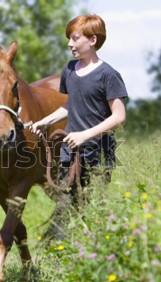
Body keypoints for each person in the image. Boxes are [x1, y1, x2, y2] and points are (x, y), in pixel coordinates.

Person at [30, 14, 128, 239]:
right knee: (65, 207)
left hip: (97, 154)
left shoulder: (108, 75)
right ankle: (63, 260)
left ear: (92, 40)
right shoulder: (70, 70)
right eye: (69, 39)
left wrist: (85, 135)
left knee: (93, 208)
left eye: (75, 38)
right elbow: (70, 105)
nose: (69, 44)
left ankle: (97, 254)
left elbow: (119, 116)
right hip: (69, 154)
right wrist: (45, 121)